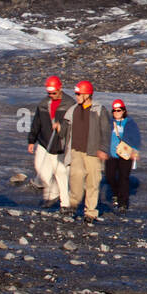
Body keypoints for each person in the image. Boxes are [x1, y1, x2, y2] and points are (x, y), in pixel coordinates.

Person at [60, 79, 111, 224]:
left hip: (93, 152)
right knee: (76, 176)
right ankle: (74, 202)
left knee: (92, 182)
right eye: (76, 94)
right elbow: (65, 128)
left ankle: (90, 213)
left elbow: (106, 131)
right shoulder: (73, 109)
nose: (76, 96)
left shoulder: (99, 110)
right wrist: (59, 129)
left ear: (87, 95)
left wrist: (103, 149)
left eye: (78, 94)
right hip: (76, 150)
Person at [27, 76, 75, 210]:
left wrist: (62, 128)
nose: (51, 95)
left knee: (60, 172)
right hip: (44, 142)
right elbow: (37, 122)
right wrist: (32, 140)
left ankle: (65, 203)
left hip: (60, 144)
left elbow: (73, 125)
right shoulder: (43, 104)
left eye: (54, 92)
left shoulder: (69, 104)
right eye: (49, 93)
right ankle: (53, 191)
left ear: (60, 89)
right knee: (41, 168)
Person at [105, 99, 141, 212]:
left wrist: (135, 151)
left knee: (123, 178)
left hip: (125, 155)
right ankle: (115, 193)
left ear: (124, 110)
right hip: (111, 154)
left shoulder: (130, 123)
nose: (116, 112)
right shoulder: (109, 123)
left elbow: (135, 138)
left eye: (119, 110)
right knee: (109, 176)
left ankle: (123, 202)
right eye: (114, 110)